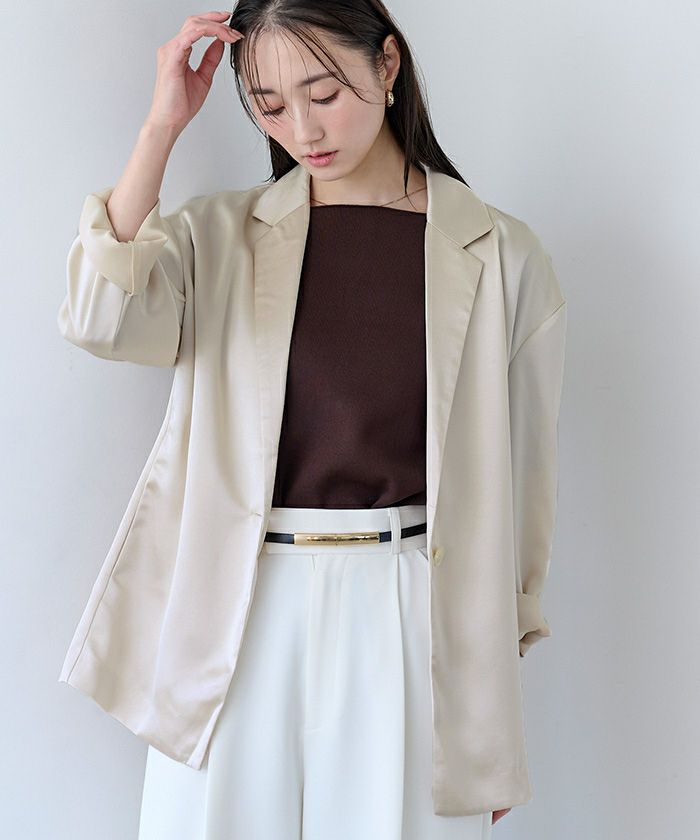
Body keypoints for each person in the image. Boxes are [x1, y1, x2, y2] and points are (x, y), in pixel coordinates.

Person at [58, 2, 567, 838]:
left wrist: (490, 717)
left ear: (388, 65)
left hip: (409, 609)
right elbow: (99, 320)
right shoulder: (218, 236)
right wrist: (162, 127)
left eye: (324, 93)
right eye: (269, 105)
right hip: (236, 607)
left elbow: (524, 491)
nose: (302, 129)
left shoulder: (503, 255)